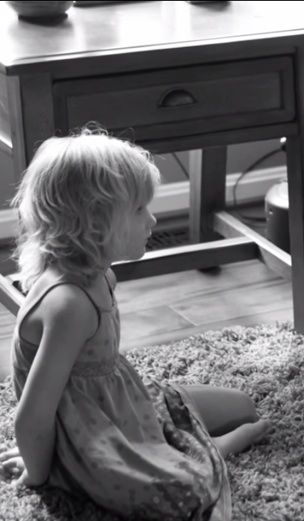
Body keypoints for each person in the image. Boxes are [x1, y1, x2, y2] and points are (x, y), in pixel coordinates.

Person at [0, 129, 270, 520]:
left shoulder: (99, 273)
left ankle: (195, 444)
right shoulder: (69, 304)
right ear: (95, 222)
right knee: (183, 493)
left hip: (119, 402)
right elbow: (33, 415)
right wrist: (40, 473)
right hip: (86, 433)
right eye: (140, 209)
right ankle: (219, 451)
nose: (153, 218)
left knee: (241, 405)